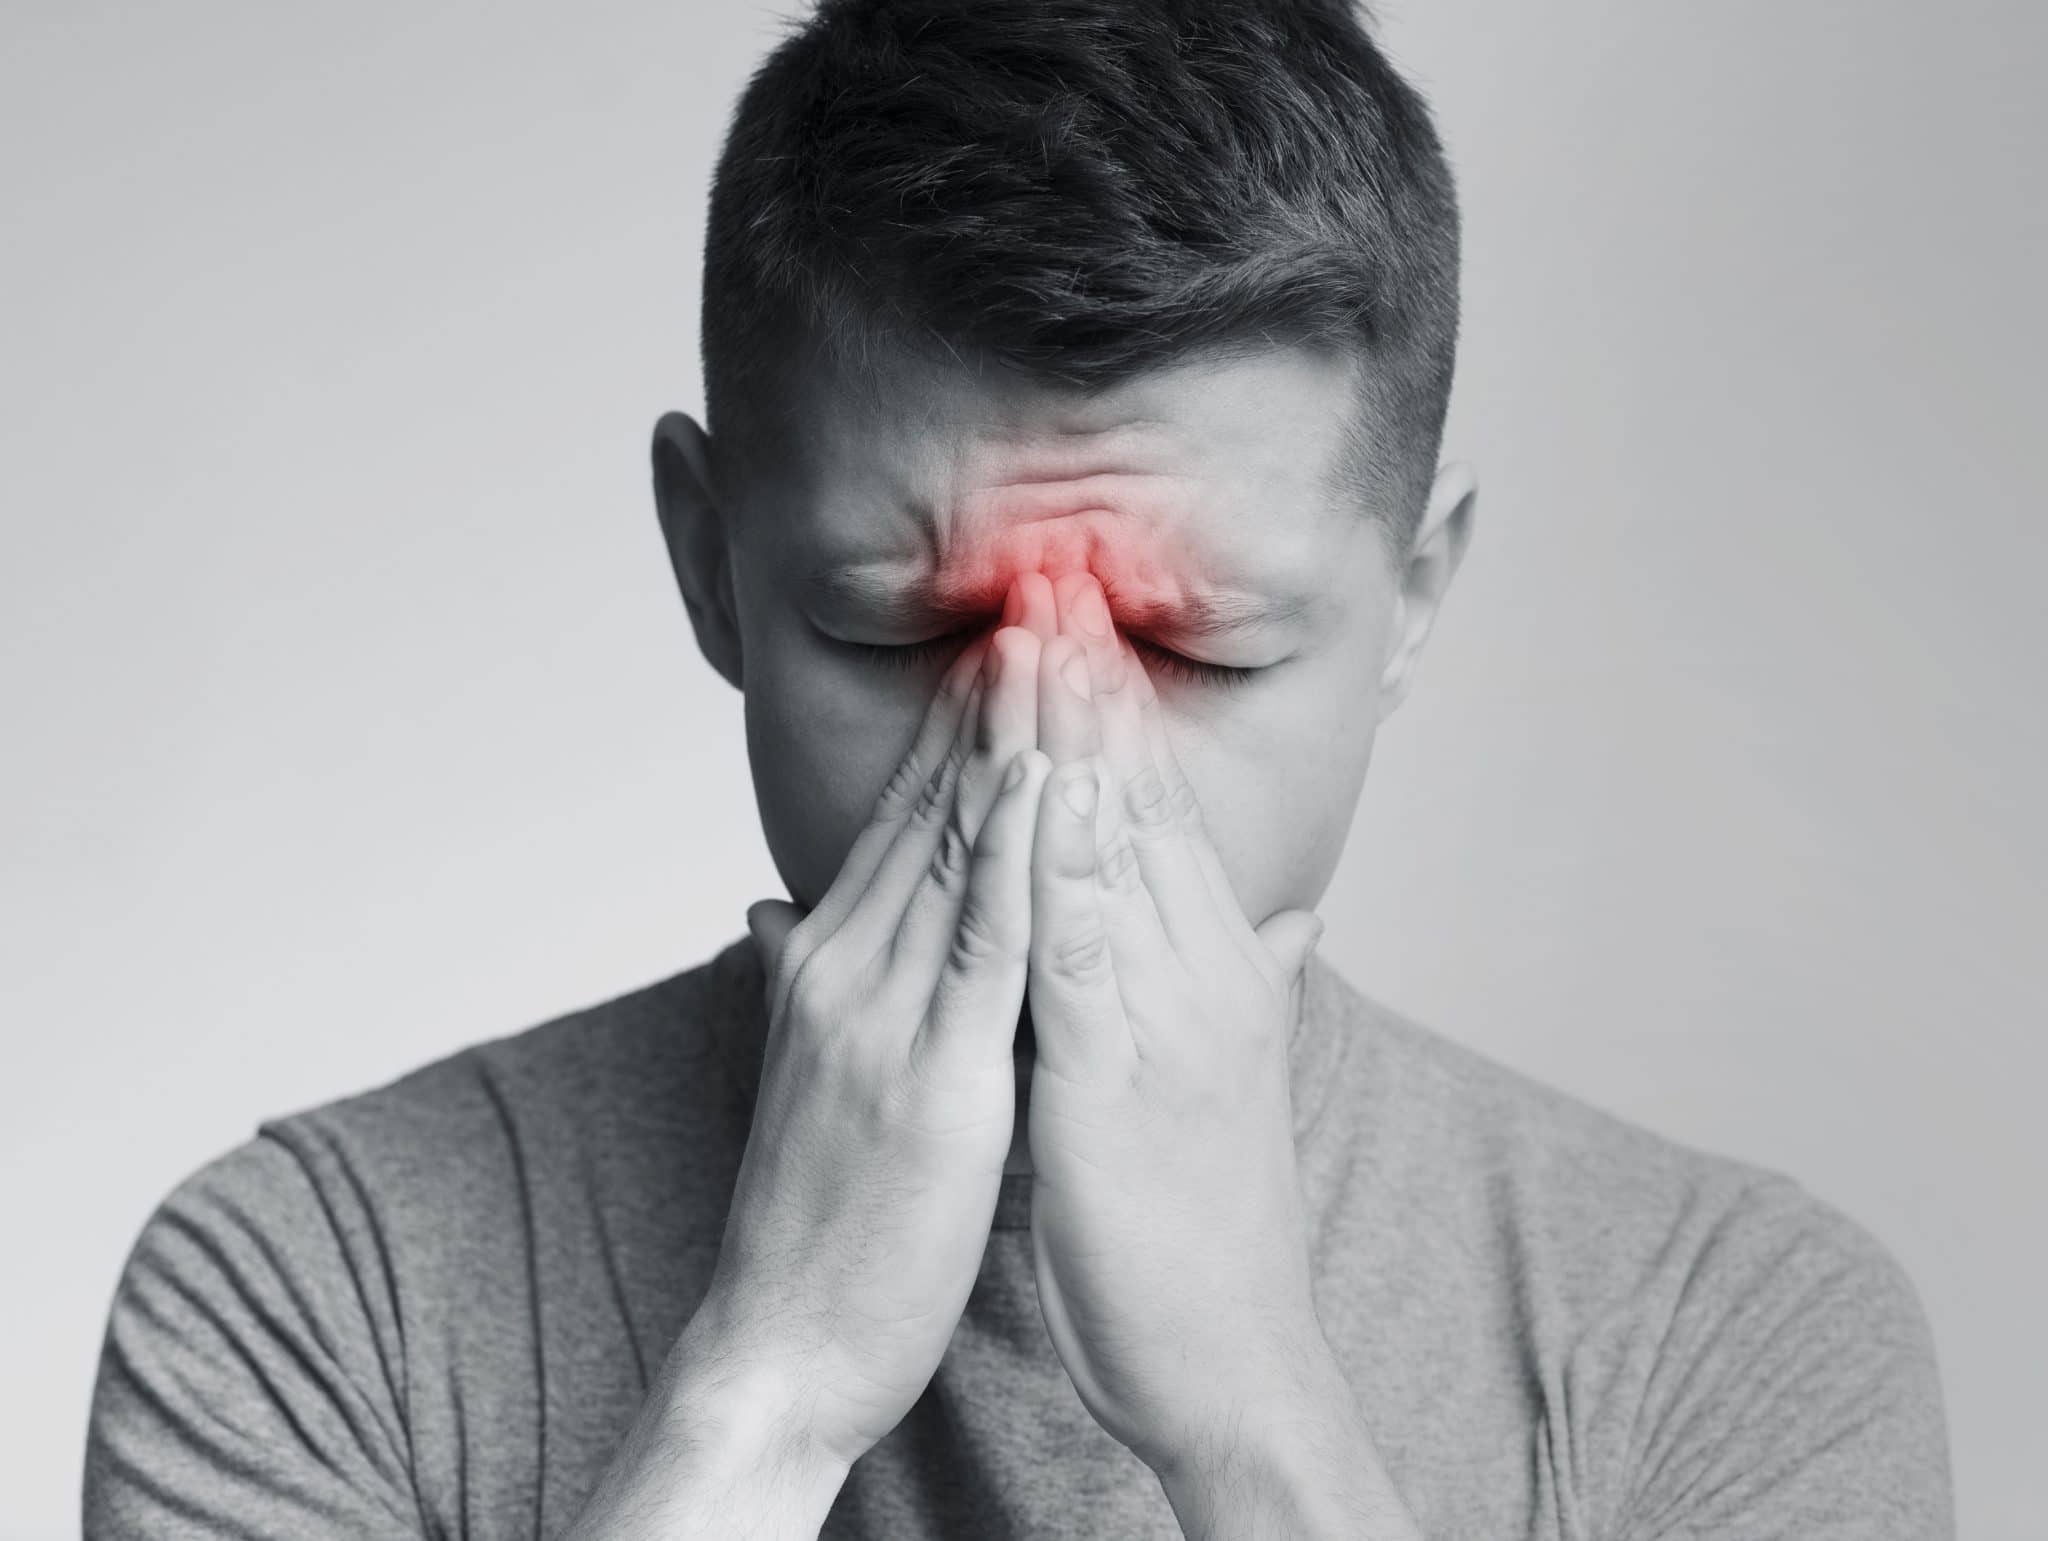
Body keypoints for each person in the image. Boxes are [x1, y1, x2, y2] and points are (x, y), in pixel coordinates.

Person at [82, 1, 1954, 1536]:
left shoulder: (1727, 1337)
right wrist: (767, 1395)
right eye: (903, 636)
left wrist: (1253, 1417)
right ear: (708, 566)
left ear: (1410, 604)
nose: (1041, 778)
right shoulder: (316, 1291)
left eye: (1194, 647)